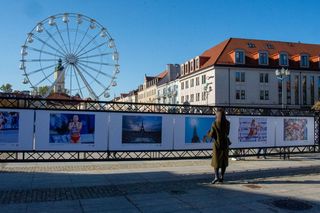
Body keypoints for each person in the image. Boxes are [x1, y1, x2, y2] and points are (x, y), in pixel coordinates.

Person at [206, 108, 230, 184]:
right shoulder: (227, 123)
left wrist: (208, 133)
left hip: (217, 144)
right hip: (225, 144)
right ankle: (222, 177)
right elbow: (227, 133)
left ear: (217, 115)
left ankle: (216, 177)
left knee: (216, 161)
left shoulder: (214, 123)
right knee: (224, 161)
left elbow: (212, 135)